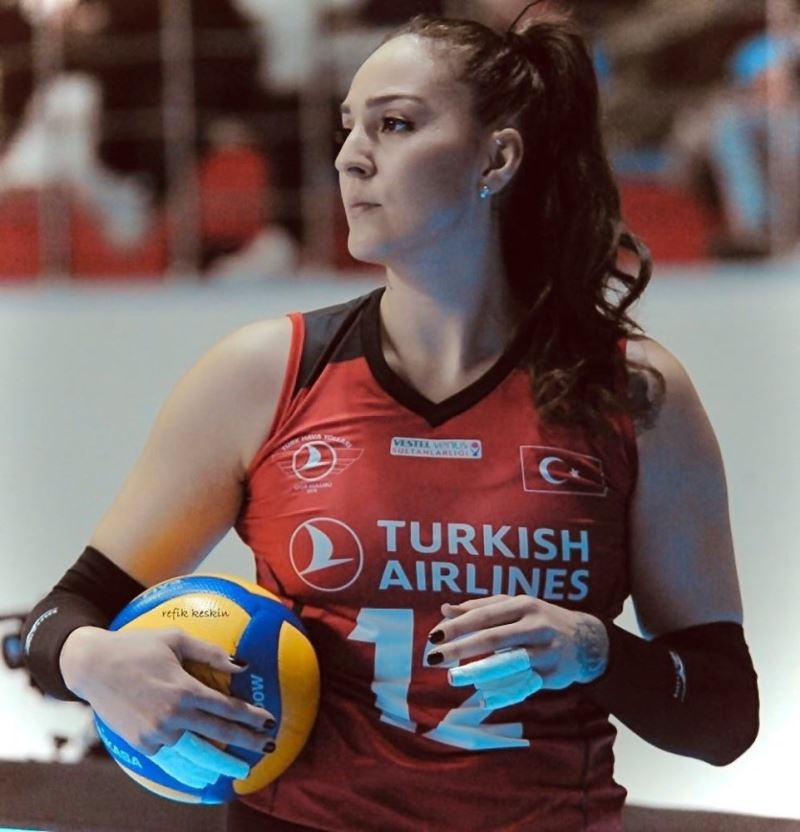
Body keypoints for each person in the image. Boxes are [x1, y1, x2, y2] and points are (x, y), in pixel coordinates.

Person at [21, 4, 759, 831]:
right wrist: (96, 662)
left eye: (395, 124)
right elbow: (61, 615)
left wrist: (595, 651)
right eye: (347, 127)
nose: (350, 157)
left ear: (496, 158)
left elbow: (725, 715)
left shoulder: (634, 393)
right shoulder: (265, 374)